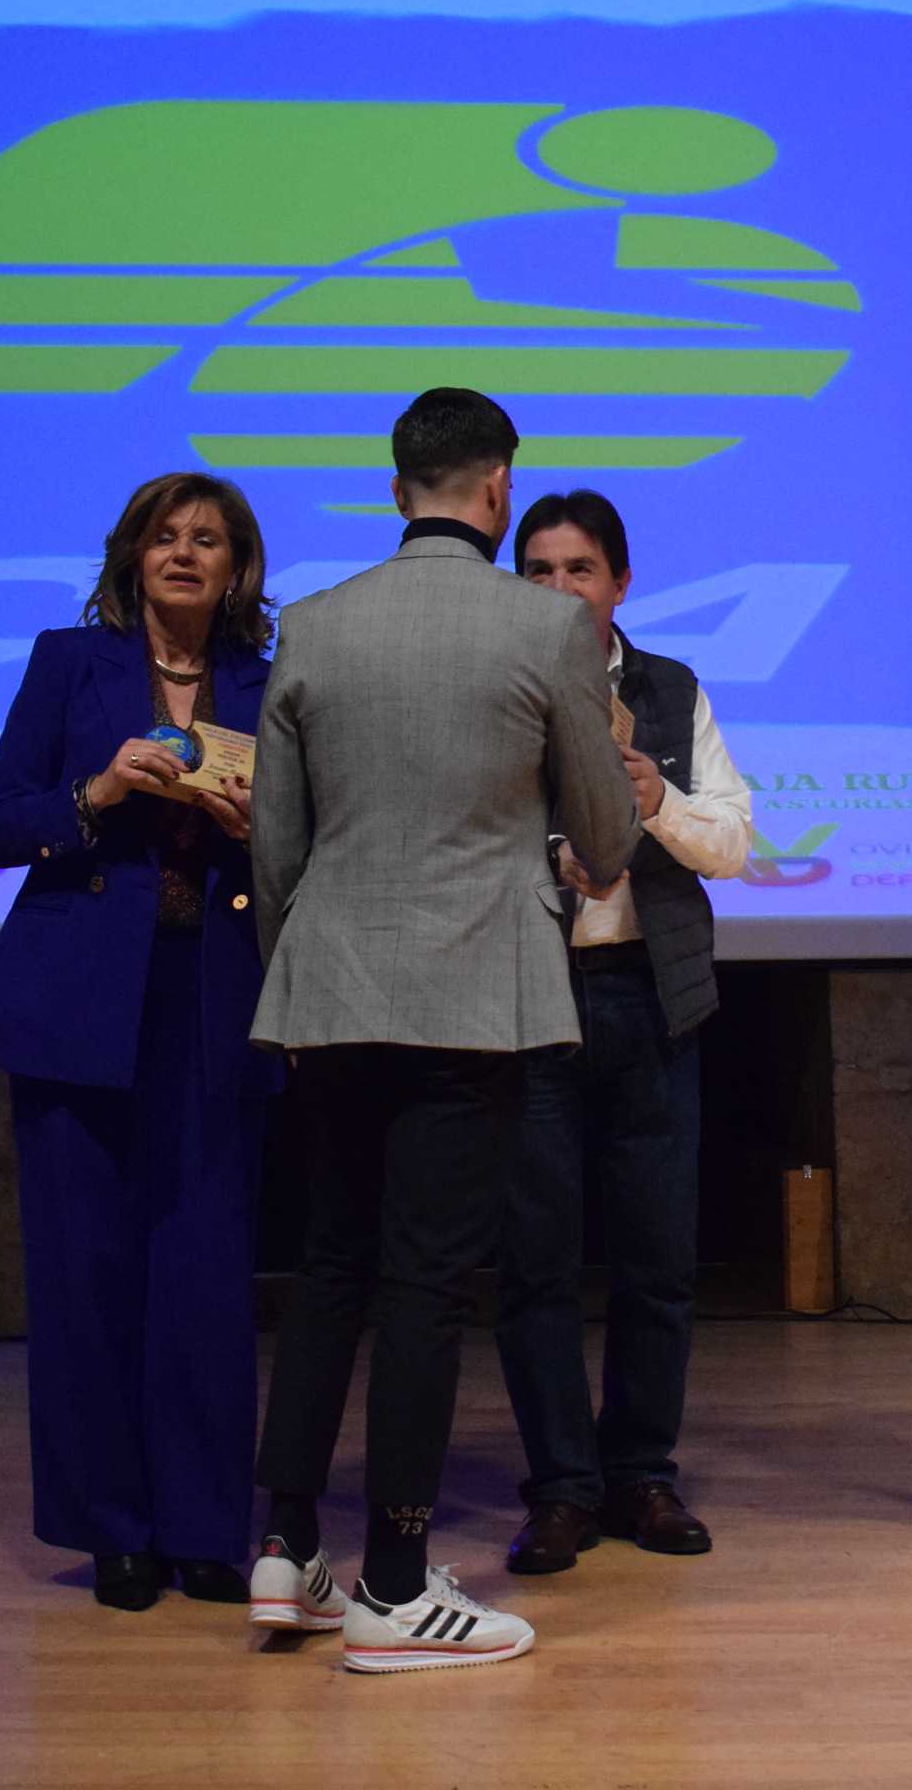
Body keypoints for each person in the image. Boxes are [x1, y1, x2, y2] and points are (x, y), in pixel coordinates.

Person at [244, 388, 641, 1674]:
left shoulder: (313, 624)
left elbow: (276, 845)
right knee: (422, 1285)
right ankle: (397, 1585)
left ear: (395, 481)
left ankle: (285, 1550)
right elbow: (605, 837)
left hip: (331, 987)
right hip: (472, 993)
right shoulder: (544, 626)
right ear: (498, 488)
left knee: (330, 1269)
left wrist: (295, 985)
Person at [0, 472, 273, 1611]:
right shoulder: (68, 662)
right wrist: (95, 791)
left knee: (202, 1272)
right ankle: (113, 1530)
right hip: (77, 994)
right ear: (131, 555)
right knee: (85, 1272)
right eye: (164, 536)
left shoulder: (266, 682)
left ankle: (203, 1527)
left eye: (209, 538)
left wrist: (256, 827)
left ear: (238, 566)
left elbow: (309, 839)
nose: (184, 553)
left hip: (213, 992)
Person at [496, 490, 753, 1577]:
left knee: (655, 1259)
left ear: (620, 583)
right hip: (529, 999)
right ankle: (560, 1484)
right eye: (540, 570)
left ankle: (641, 1471)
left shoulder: (670, 689)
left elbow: (733, 841)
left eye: (580, 569)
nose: (561, 589)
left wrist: (652, 798)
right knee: (536, 1259)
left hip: (650, 996)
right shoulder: (491, 686)